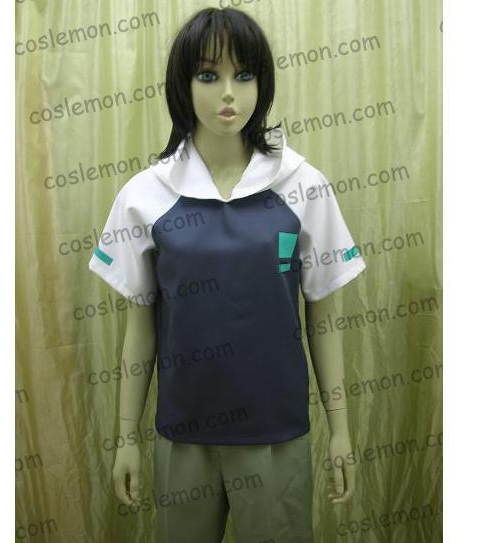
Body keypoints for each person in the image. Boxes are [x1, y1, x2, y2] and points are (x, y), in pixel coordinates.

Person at [89, 7, 366, 543]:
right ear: (182, 83)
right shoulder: (146, 196)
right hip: (184, 434)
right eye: (208, 75)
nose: (228, 95)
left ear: (262, 82)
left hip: (275, 432)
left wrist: (341, 431)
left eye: (244, 74)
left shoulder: (302, 186)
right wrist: (125, 438)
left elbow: (324, 318)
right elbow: (139, 327)